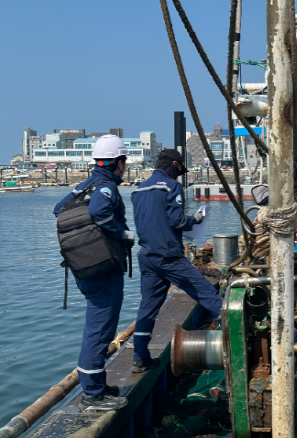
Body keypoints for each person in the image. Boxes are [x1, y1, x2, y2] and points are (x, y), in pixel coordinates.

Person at [54, 135, 133, 412]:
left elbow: (58, 209)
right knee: (99, 331)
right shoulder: (106, 187)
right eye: (124, 161)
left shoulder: (84, 185)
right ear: (118, 163)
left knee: (99, 329)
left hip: (86, 269)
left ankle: (97, 385)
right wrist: (121, 233)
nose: (125, 167)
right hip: (103, 272)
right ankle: (92, 396)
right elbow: (100, 211)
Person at [131, 149, 222, 373]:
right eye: (180, 169)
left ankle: (140, 358)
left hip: (147, 256)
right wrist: (196, 219)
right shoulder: (171, 186)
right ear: (174, 164)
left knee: (147, 308)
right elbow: (177, 221)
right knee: (206, 292)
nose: (180, 174)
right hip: (169, 256)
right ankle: (239, 336)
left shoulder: (139, 189)